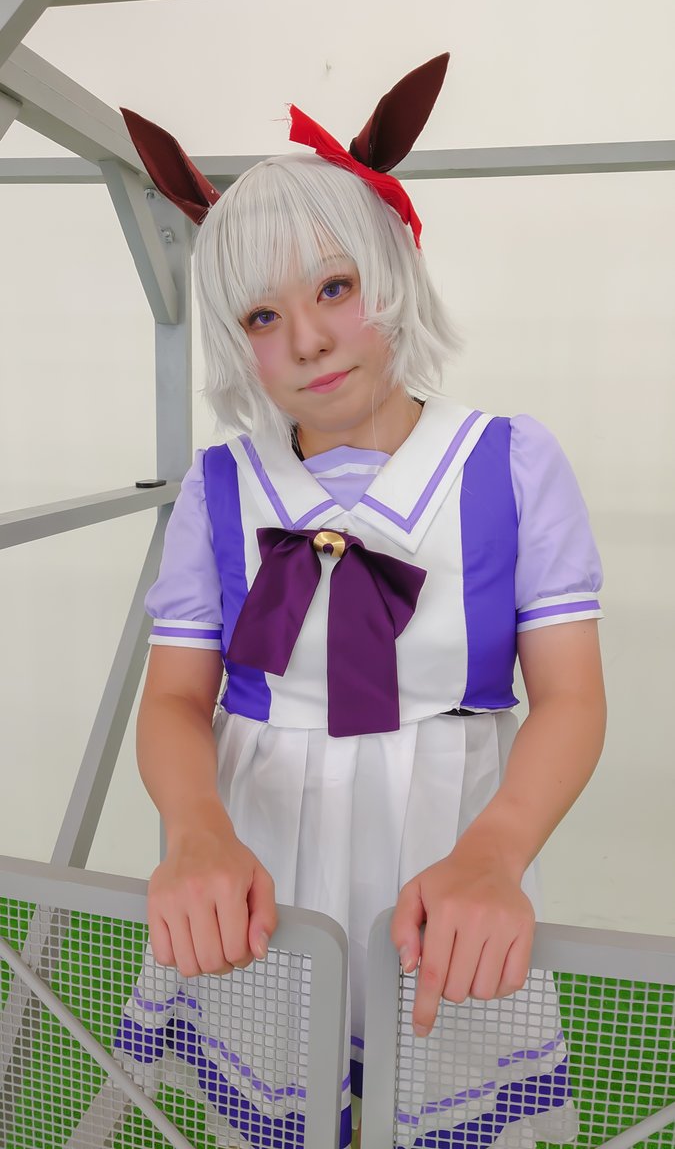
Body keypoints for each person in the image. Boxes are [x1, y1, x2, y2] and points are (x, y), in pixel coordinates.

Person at [115, 55, 606, 1149]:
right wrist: (194, 830)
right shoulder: (219, 486)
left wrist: (498, 851)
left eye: (333, 288)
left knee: (432, 1097)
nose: (307, 340)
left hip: (449, 846)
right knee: (271, 1102)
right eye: (262, 314)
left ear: (392, 271)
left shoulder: (510, 462)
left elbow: (570, 697)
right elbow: (176, 698)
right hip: (257, 849)